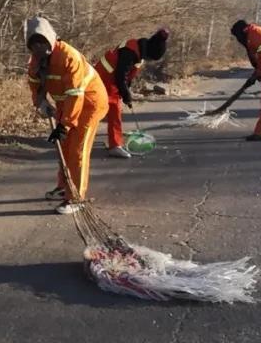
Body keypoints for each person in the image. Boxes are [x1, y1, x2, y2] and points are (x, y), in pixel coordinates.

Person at [25, 17, 109, 214]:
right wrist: (41, 102)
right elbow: (34, 83)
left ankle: (76, 197)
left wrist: (65, 125)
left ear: (51, 39)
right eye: (34, 44)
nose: (39, 47)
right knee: (63, 146)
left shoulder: (69, 57)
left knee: (77, 148)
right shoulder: (35, 60)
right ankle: (64, 186)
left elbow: (75, 93)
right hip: (65, 102)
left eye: (43, 41)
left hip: (89, 103)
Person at [94, 29, 169, 158]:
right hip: (102, 79)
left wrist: (126, 92)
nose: (149, 60)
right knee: (99, 110)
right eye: (151, 58)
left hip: (112, 82)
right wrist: (126, 95)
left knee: (113, 111)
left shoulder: (140, 52)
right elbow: (120, 76)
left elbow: (127, 76)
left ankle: (115, 144)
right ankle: (83, 138)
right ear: (150, 52)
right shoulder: (129, 51)